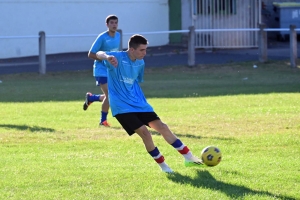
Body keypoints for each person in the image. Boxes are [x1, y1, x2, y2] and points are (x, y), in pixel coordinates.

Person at [95, 34, 204, 173]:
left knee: (163, 127)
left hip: (139, 103)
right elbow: (98, 53)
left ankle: (189, 158)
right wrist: (106, 57)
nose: (145, 53)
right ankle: (164, 167)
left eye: (146, 50)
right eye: (142, 50)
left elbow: (135, 80)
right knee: (145, 133)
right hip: (121, 106)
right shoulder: (116, 57)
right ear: (132, 50)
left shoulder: (140, 63)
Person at [83, 14, 121, 127]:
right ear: (107, 24)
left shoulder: (118, 35)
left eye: (116, 23)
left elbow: (115, 52)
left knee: (113, 94)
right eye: (111, 23)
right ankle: (102, 121)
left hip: (111, 70)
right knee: (110, 94)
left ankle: (92, 98)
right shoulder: (102, 37)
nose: (114, 25)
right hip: (101, 70)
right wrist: (104, 59)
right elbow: (90, 54)